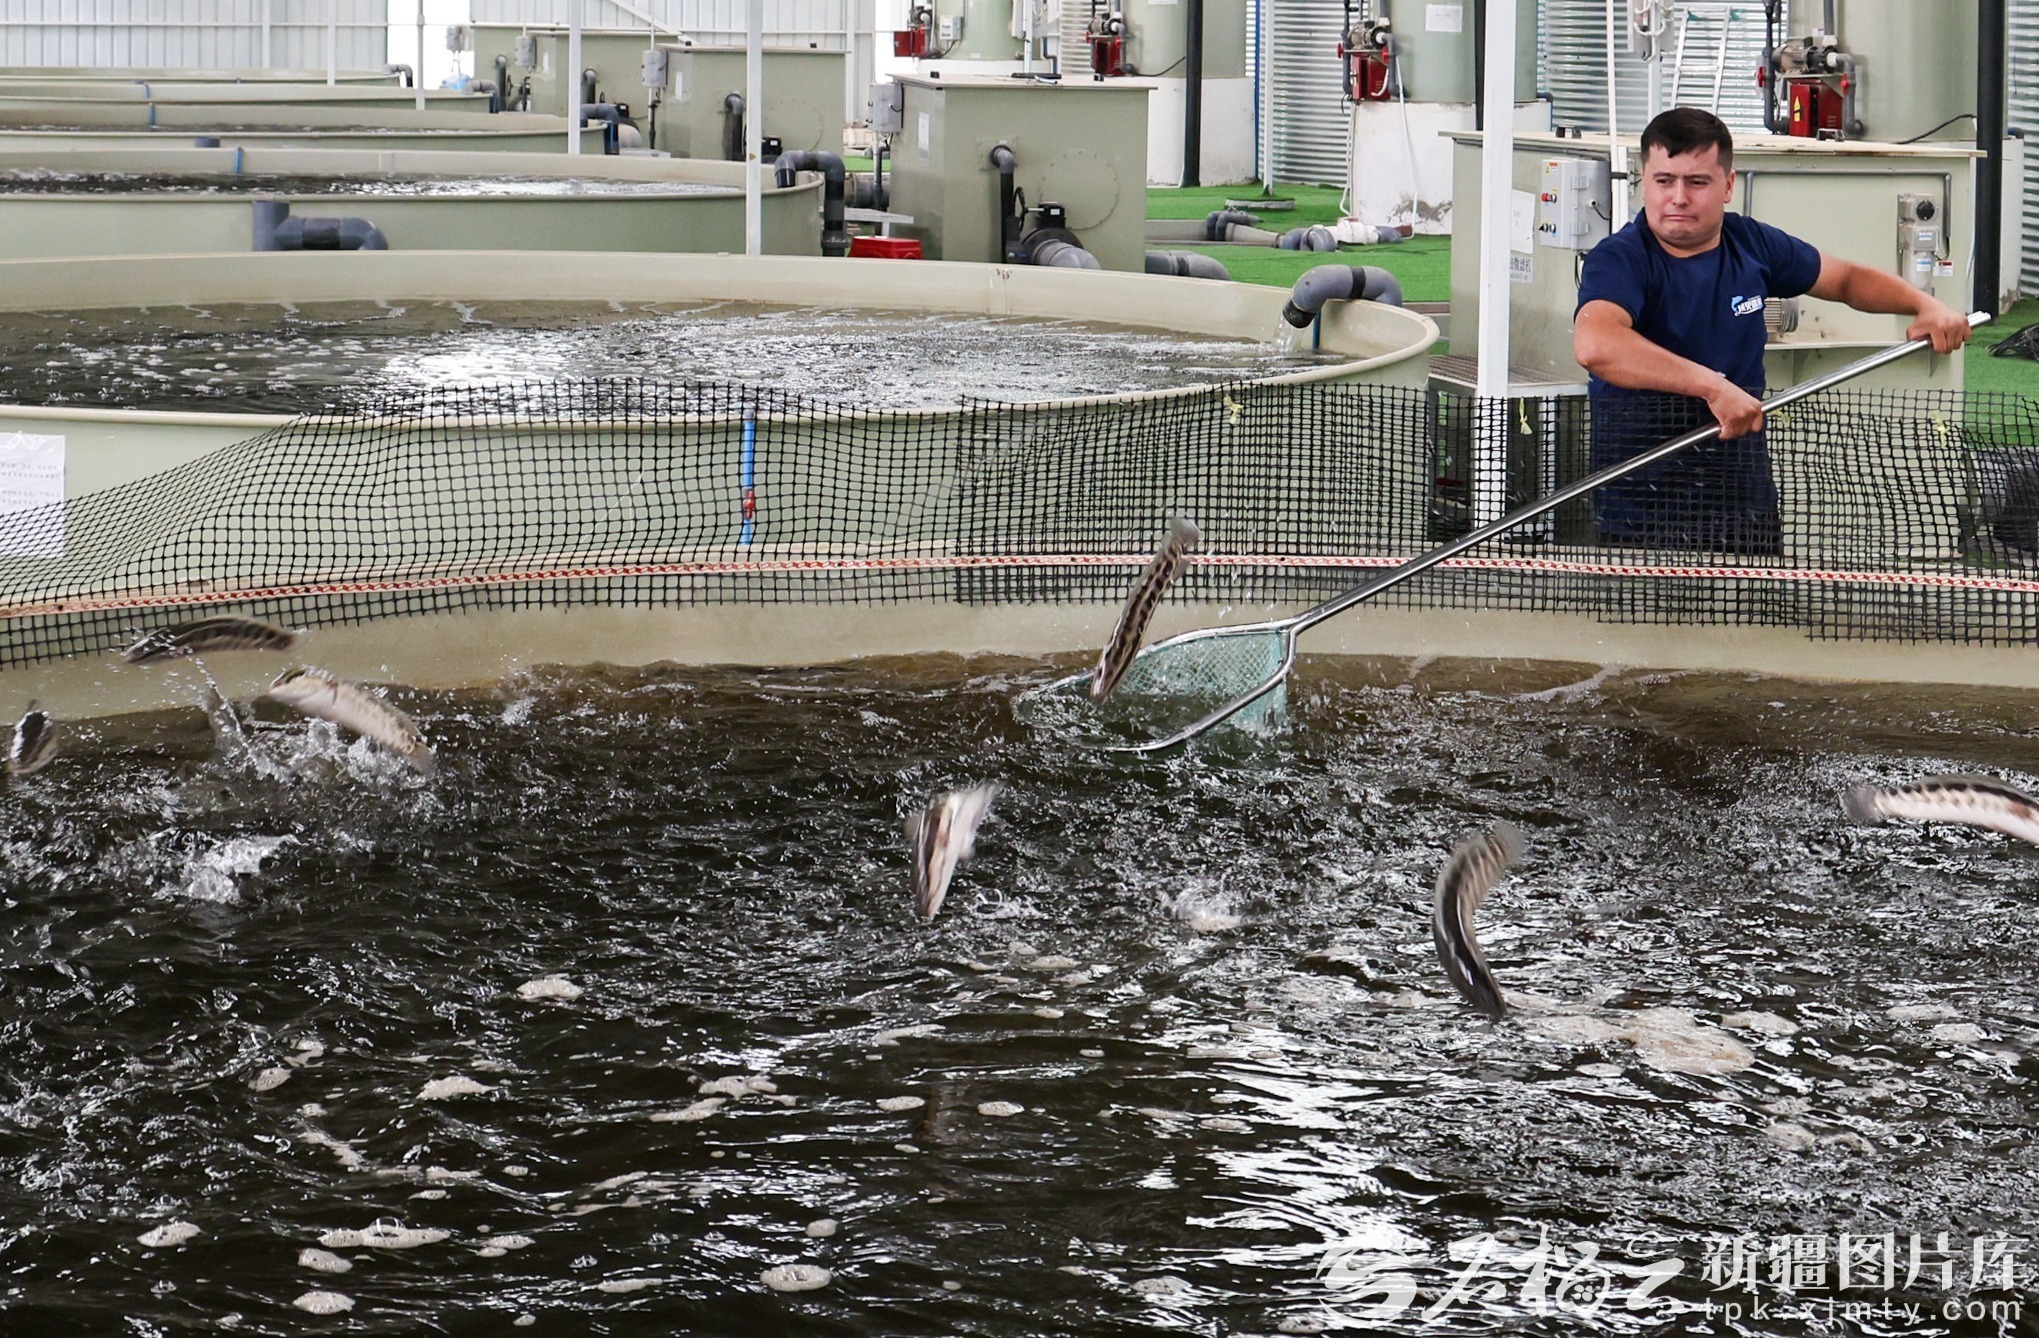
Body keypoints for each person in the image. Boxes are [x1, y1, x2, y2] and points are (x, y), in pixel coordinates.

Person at [1572, 106, 1972, 553]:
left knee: (1754, 618)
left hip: (1744, 497)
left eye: (1697, 182)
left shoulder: (1753, 244)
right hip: (1645, 503)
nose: (1678, 197)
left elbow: (1844, 279)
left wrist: (1924, 303)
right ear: (1643, 181)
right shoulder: (1621, 259)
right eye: (1664, 181)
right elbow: (1597, 344)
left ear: (1728, 185)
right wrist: (1711, 387)